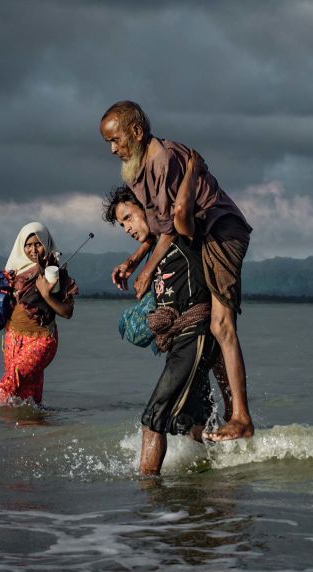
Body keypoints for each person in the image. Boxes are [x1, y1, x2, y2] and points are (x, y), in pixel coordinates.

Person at [99, 100, 253, 442]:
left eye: (116, 140)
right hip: (201, 234)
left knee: (220, 323)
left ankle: (241, 417)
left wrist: (146, 266)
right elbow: (159, 226)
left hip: (221, 231)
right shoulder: (140, 168)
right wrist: (137, 258)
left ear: (136, 132)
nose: (112, 149)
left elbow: (179, 221)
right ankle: (229, 414)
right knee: (212, 332)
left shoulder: (164, 159)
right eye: (108, 142)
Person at [104, 157, 221, 476]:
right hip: (188, 341)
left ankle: (149, 501)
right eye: (122, 223)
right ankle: (213, 494)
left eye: (128, 217)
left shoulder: (182, 236)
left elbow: (176, 216)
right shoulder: (156, 251)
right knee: (193, 425)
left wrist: (192, 168)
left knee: (152, 420)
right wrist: (133, 261)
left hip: (195, 336)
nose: (126, 227)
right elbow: (152, 240)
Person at [0, 222, 77, 405]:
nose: (33, 250)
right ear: (21, 246)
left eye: (38, 244)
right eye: (28, 245)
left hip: (42, 339)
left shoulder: (56, 274)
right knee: (27, 395)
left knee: (7, 385)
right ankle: (29, 429)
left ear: (46, 244)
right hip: (12, 337)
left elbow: (67, 312)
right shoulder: (13, 272)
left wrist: (46, 294)